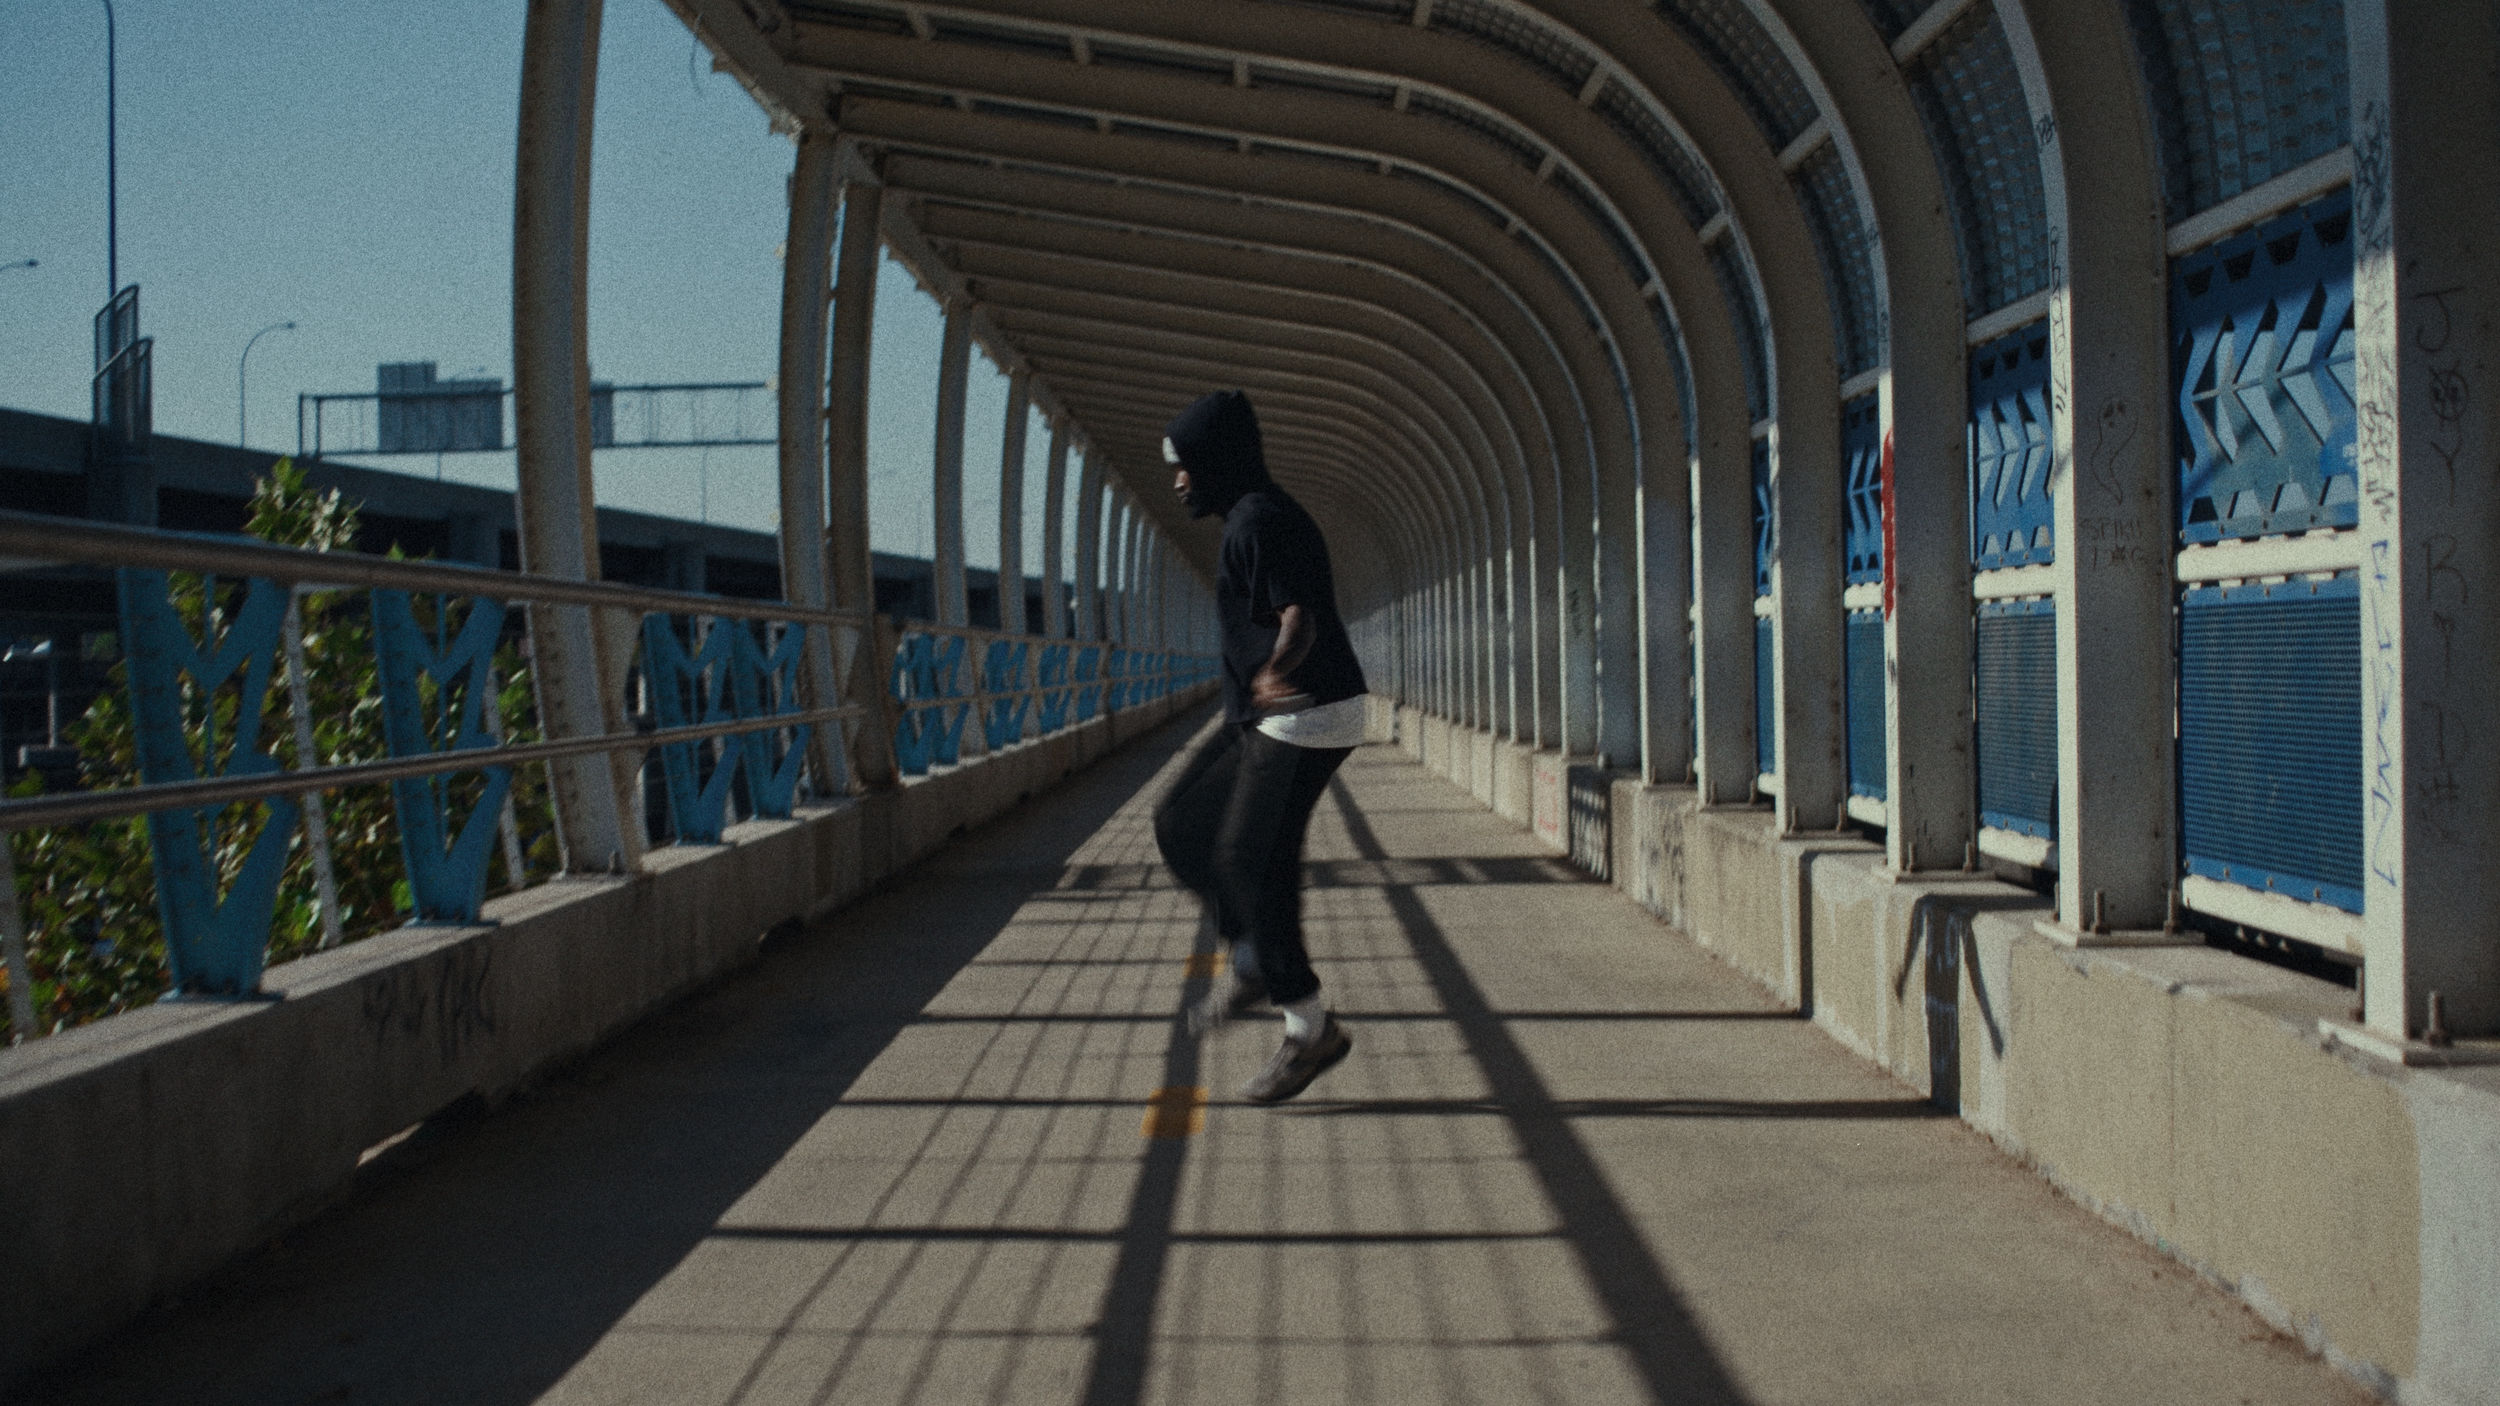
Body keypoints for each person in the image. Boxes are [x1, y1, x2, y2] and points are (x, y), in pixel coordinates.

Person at [1151, 389, 1370, 1104]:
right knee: (1181, 822)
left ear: (1217, 461)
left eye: (1185, 464)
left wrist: (1277, 669)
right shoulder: (1249, 517)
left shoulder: (1260, 521)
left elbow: (1299, 616)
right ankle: (1251, 955)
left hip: (1308, 711)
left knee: (1248, 857)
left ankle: (1310, 1030)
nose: (1178, 480)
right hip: (1270, 713)